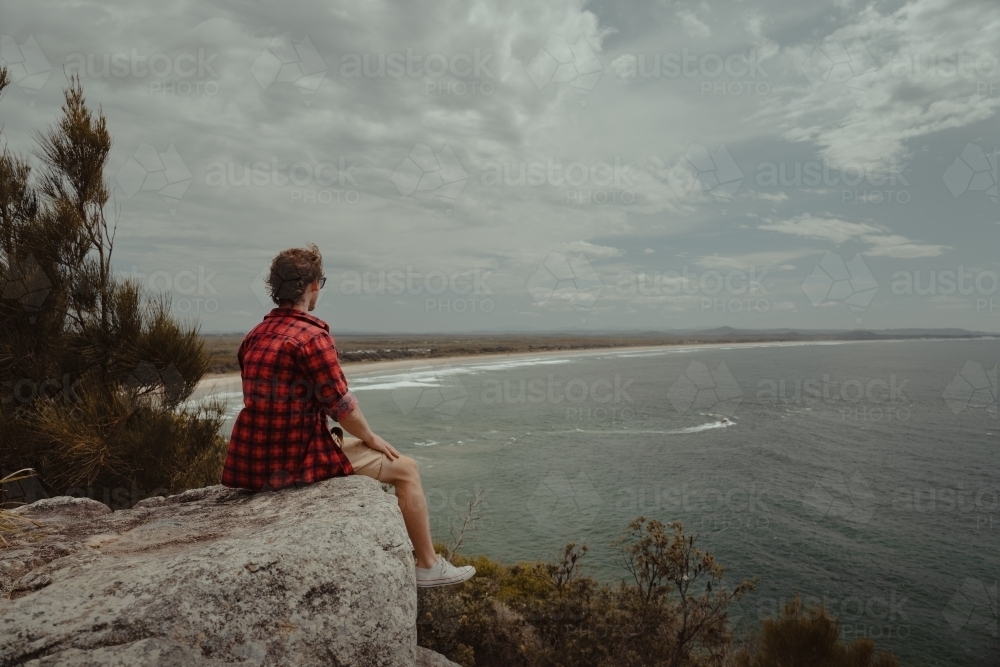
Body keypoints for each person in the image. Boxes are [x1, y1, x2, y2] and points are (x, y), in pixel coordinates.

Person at [221, 244, 475, 588]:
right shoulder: (312, 336)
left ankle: (427, 563)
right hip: (294, 458)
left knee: (364, 450)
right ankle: (428, 565)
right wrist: (370, 438)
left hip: (251, 461)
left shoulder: (255, 335)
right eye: (320, 282)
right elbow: (341, 405)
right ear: (312, 287)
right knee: (407, 469)